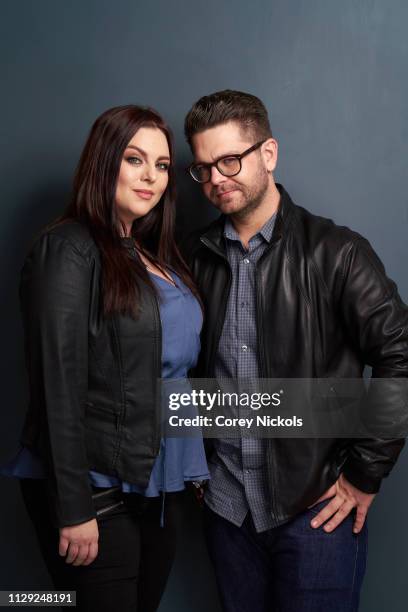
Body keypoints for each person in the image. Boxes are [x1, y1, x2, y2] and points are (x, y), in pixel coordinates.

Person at [182, 90, 408, 612]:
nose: (216, 179)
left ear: (269, 154)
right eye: (204, 168)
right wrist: (198, 463)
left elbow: (401, 351)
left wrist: (364, 473)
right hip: (227, 513)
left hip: (316, 515)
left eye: (230, 160)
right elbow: (182, 368)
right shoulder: (192, 256)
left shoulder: (337, 252)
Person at [1, 104, 209, 612]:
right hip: (94, 486)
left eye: (161, 165)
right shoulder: (68, 248)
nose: (151, 177)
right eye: (135, 159)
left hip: (159, 480)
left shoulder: (151, 254)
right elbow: (58, 383)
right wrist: (74, 508)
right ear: (103, 161)